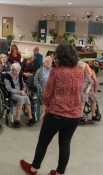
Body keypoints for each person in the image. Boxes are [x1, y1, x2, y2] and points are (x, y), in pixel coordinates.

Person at [20, 43, 84, 175]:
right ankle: (59, 173)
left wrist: (44, 111)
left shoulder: (56, 71)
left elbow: (48, 94)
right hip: (74, 116)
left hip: (56, 114)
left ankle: (33, 169)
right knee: (65, 144)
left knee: (43, 143)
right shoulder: (79, 71)